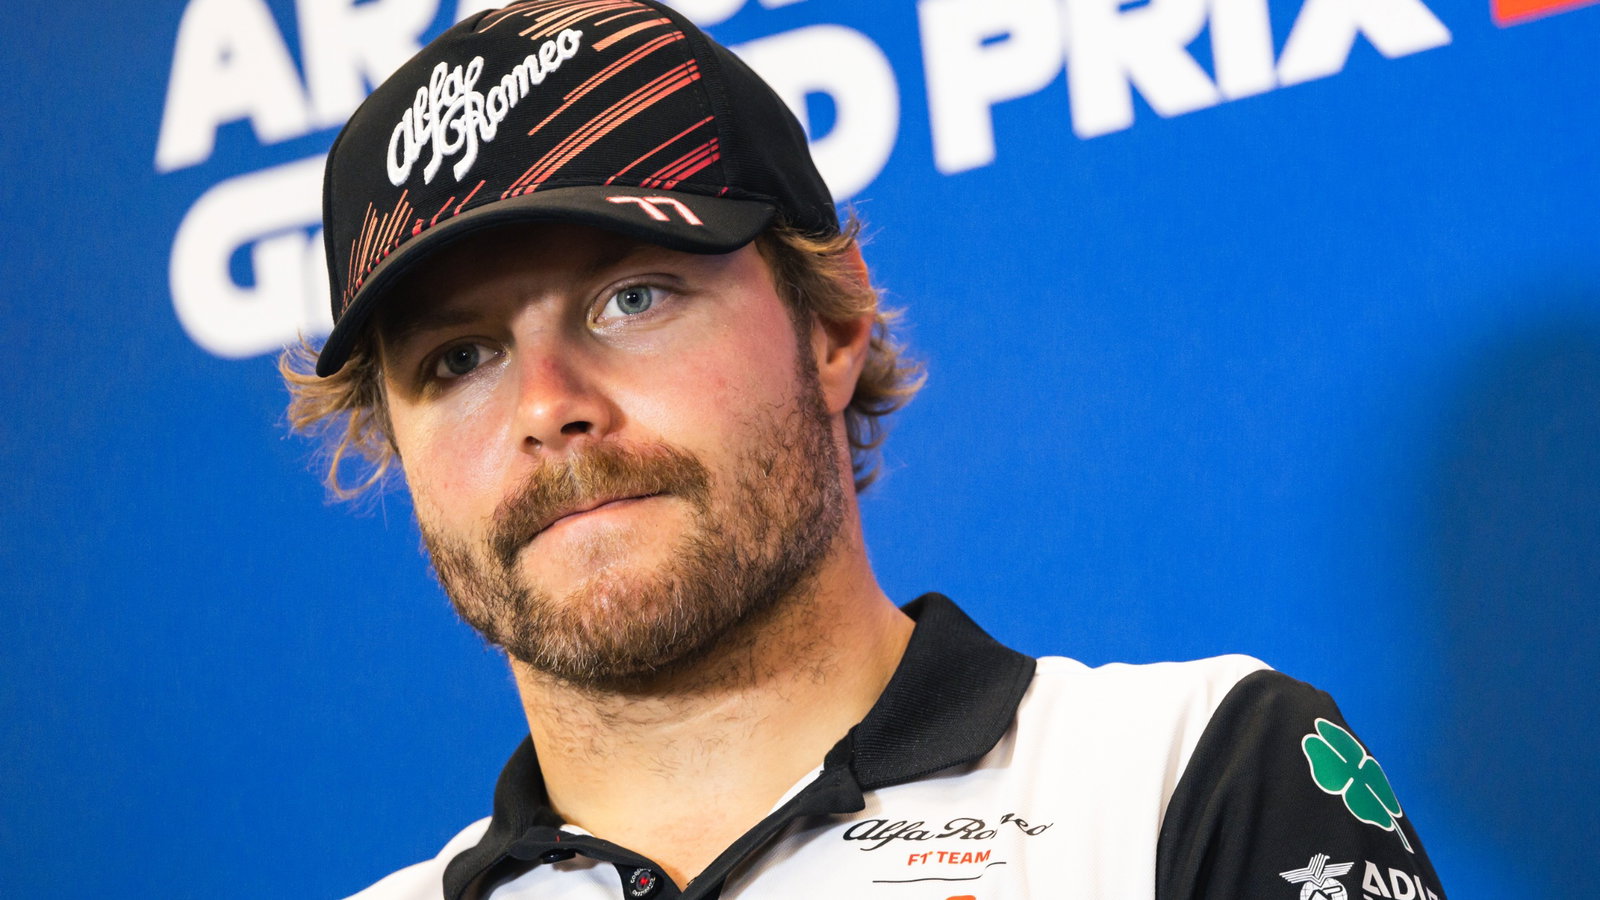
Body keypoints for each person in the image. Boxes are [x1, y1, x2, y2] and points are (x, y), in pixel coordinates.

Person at [282, 2, 1449, 898]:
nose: (547, 405)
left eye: (632, 298)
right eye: (457, 360)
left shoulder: (1184, 775)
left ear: (831, 327)